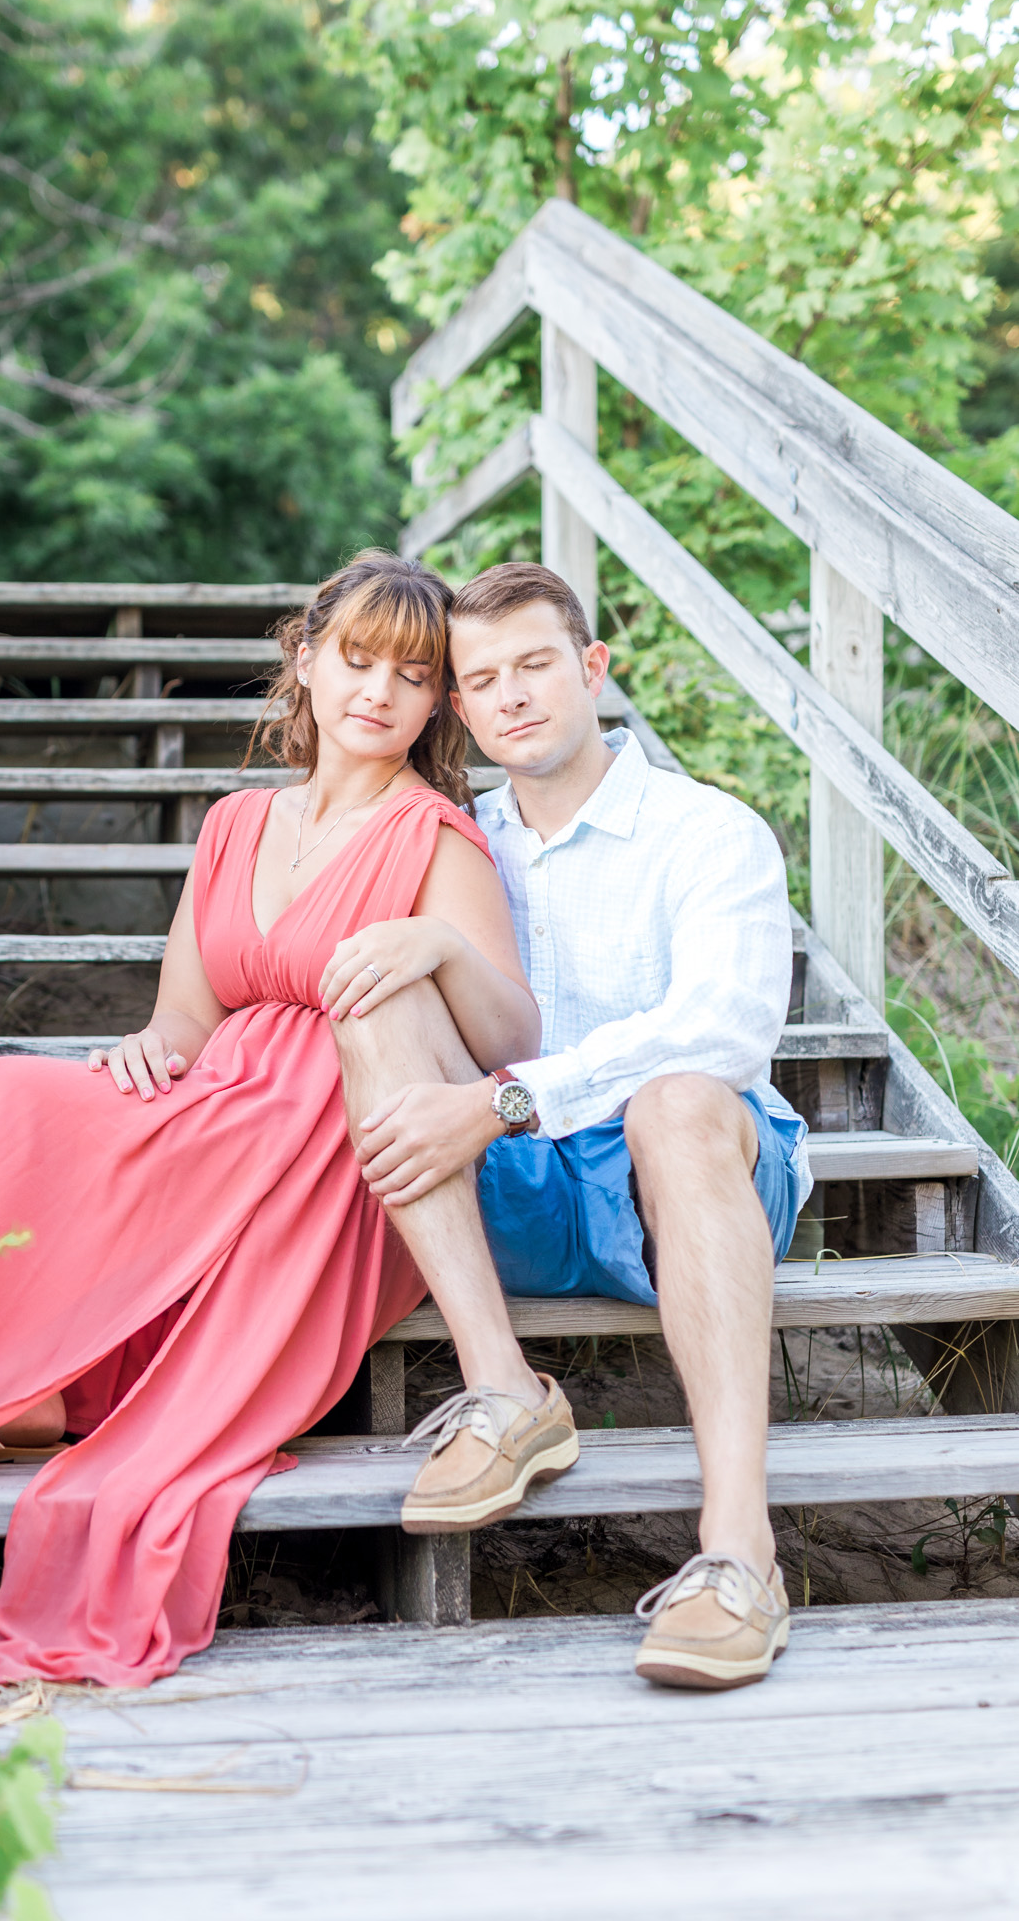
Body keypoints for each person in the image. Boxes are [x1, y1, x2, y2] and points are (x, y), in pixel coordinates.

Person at [0, 551, 577, 1688]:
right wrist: (153, 1051)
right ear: (305, 658)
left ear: (438, 699)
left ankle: (52, 1383)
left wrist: (438, 945)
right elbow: (186, 1017)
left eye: (414, 671)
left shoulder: (432, 832)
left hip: (332, 1139)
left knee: (43, 1126)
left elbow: (513, 1042)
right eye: (356, 657)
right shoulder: (237, 823)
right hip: (216, 1098)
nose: (380, 689)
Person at [329, 561, 808, 1692]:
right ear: (457, 706)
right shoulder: (451, 839)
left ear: (591, 668)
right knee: (379, 988)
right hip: (518, 1180)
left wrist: (503, 1098)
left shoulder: (707, 830)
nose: (511, 695)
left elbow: (724, 1029)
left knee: (679, 1097)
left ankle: (740, 1553)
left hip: (686, 1180)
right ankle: (508, 1388)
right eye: (480, 678)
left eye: (536, 664)